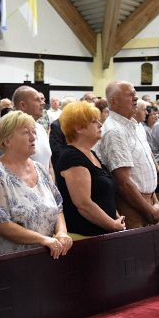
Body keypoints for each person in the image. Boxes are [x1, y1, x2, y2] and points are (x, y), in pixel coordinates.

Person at [0, 112, 71, 258]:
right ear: (7, 141)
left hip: (46, 255)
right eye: (26, 132)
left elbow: (58, 207)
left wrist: (62, 233)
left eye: (34, 132)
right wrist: (42, 239)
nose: (33, 137)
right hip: (13, 260)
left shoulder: (39, 168)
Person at [96, 81, 159, 229]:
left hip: (148, 201)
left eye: (135, 94)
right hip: (131, 205)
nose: (136, 98)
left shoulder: (136, 126)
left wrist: (154, 202)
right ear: (114, 101)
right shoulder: (114, 131)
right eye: (130, 95)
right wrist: (149, 211)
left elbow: (145, 166)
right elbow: (123, 182)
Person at [54, 101, 124, 236]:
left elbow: (105, 194)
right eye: (94, 121)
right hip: (86, 236)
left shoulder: (91, 153)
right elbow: (83, 204)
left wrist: (116, 219)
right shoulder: (72, 157)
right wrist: (113, 225)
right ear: (78, 128)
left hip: (105, 232)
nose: (100, 124)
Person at [12, 85, 52, 174]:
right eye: (37, 100)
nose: (43, 103)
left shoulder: (41, 129)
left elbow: (49, 165)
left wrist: (50, 182)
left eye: (42, 99)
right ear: (23, 105)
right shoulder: (12, 132)